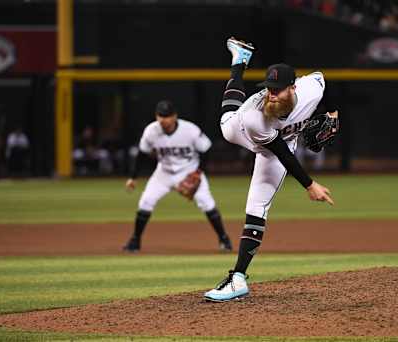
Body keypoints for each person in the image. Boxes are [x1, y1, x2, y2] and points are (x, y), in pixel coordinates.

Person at [204, 37, 338, 302]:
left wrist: (333, 115)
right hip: (246, 132)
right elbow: (281, 151)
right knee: (225, 122)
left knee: (257, 208)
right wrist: (310, 185)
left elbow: (324, 82)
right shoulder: (257, 117)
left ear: (293, 87)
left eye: (277, 88)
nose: (271, 93)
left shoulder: (311, 88)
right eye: (268, 88)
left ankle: (238, 279)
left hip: (281, 144)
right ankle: (239, 62)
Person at [122, 100, 232, 253]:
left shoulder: (190, 130)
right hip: (163, 173)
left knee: (207, 203)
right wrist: (133, 177)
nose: (163, 119)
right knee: (146, 202)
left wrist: (198, 172)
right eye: (160, 116)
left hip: (189, 171)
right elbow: (142, 153)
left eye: (167, 116)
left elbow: (206, 149)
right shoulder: (151, 131)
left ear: (174, 116)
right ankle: (135, 241)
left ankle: (224, 239)